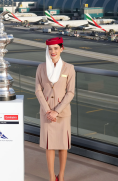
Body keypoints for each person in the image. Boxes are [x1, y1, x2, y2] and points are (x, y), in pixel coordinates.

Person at [35, 37, 75, 181]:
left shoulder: (69, 68)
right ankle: (52, 177)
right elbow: (38, 91)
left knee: (63, 146)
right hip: (46, 113)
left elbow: (70, 92)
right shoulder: (41, 67)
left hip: (62, 113)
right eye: (50, 49)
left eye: (56, 48)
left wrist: (56, 111)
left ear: (61, 49)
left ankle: (61, 175)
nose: (53, 51)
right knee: (49, 146)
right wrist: (48, 111)